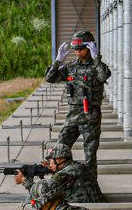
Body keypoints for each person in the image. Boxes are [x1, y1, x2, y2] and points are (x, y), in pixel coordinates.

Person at [45, 31, 111, 175]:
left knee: (90, 154)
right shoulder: (71, 66)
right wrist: (58, 60)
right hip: (73, 114)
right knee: (60, 148)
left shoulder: (96, 65)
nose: (78, 52)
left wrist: (96, 58)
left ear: (89, 47)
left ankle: (90, 185)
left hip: (90, 115)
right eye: (76, 49)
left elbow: (103, 75)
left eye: (81, 48)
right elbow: (50, 78)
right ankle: (61, 181)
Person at [15, 142, 104, 204]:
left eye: (51, 161)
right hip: (93, 204)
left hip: (82, 208)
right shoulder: (78, 166)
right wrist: (54, 171)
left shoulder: (65, 174)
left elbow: (41, 192)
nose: (50, 164)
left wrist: (23, 180)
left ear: (59, 160)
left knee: (34, 201)